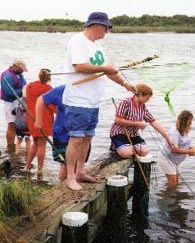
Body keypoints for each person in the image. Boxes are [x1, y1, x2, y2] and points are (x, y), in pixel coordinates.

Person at [62, 11, 135, 191]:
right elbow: (79, 66)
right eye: (106, 28)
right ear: (96, 25)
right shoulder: (77, 41)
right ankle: (70, 177)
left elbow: (110, 72)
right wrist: (105, 68)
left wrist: (125, 83)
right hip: (78, 100)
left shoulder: (98, 47)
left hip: (94, 101)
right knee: (76, 139)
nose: (107, 32)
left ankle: (81, 172)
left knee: (87, 138)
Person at [35, 85, 92, 182]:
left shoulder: (89, 90)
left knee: (79, 162)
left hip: (82, 133)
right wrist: (38, 120)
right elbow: (41, 100)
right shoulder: (62, 89)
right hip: (62, 134)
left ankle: (76, 180)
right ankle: (63, 186)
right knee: (65, 165)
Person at [110, 83, 173, 158]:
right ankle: (117, 146)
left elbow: (153, 122)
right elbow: (117, 120)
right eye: (147, 98)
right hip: (119, 133)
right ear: (140, 94)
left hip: (133, 134)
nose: (148, 100)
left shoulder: (143, 106)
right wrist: (137, 124)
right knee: (127, 154)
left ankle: (128, 147)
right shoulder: (126, 102)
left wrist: (168, 138)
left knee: (144, 152)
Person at [24, 69, 55, 179]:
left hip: (32, 118)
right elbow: (53, 107)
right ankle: (40, 170)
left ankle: (27, 167)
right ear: (49, 78)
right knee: (42, 145)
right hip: (44, 120)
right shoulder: (49, 89)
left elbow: (26, 98)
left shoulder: (30, 86)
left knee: (35, 143)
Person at [157, 110, 195, 188]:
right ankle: (168, 198)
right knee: (173, 184)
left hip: (176, 160)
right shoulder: (174, 132)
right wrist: (189, 151)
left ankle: (174, 198)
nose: (191, 124)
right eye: (189, 122)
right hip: (167, 158)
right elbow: (173, 148)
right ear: (184, 122)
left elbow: (183, 144)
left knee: (176, 183)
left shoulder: (186, 130)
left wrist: (191, 148)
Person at [0, 60, 27, 148]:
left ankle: (13, 143)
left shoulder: (19, 74)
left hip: (17, 101)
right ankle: (10, 145)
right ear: (16, 67)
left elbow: (25, 85)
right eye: (22, 70)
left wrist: (22, 78)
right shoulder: (6, 75)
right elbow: (8, 92)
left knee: (16, 124)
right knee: (11, 124)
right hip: (9, 102)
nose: (23, 71)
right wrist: (22, 91)